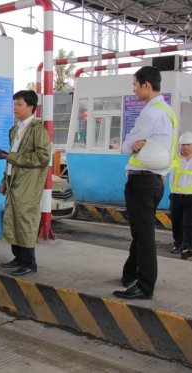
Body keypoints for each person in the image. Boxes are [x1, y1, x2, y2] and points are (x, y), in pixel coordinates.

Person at [113, 66, 176, 300]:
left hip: (143, 180)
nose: (134, 89)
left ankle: (145, 285)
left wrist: (125, 145)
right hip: (156, 179)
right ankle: (130, 274)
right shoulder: (167, 111)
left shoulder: (151, 113)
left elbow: (127, 145)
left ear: (146, 85)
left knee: (144, 236)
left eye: (135, 84)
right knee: (140, 233)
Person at [0, 90, 51, 276]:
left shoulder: (38, 130)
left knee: (25, 220)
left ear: (31, 107)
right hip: (14, 181)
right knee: (13, 218)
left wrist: (13, 157)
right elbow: (10, 158)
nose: (15, 108)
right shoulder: (15, 129)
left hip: (28, 184)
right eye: (14, 104)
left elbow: (43, 157)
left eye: (19, 104)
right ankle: (18, 257)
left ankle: (29, 262)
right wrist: (4, 179)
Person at [169, 132, 192, 259]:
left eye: (188, 145)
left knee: (188, 224)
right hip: (176, 196)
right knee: (176, 223)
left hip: (191, 197)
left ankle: (186, 246)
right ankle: (177, 244)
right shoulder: (175, 158)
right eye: (183, 145)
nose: (185, 147)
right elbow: (165, 170)